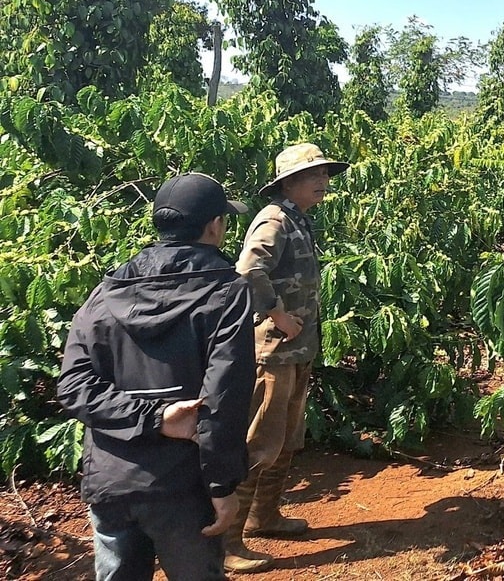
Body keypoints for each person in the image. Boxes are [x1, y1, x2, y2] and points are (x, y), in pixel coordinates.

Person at [57, 173, 255, 581]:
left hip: (112, 479)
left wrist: (151, 417)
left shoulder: (106, 291)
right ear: (214, 225)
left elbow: (74, 386)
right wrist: (221, 486)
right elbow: (224, 396)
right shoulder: (227, 292)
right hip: (184, 487)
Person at [226, 143, 347, 574]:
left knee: (286, 438)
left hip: (297, 349)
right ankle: (228, 539)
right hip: (274, 350)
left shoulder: (299, 220)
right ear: (288, 183)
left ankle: (265, 517)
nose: (322, 182)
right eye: (312, 175)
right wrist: (277, 314)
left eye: (325, 175)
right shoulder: (274, 219)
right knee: (260, 439)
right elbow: (247, 270)